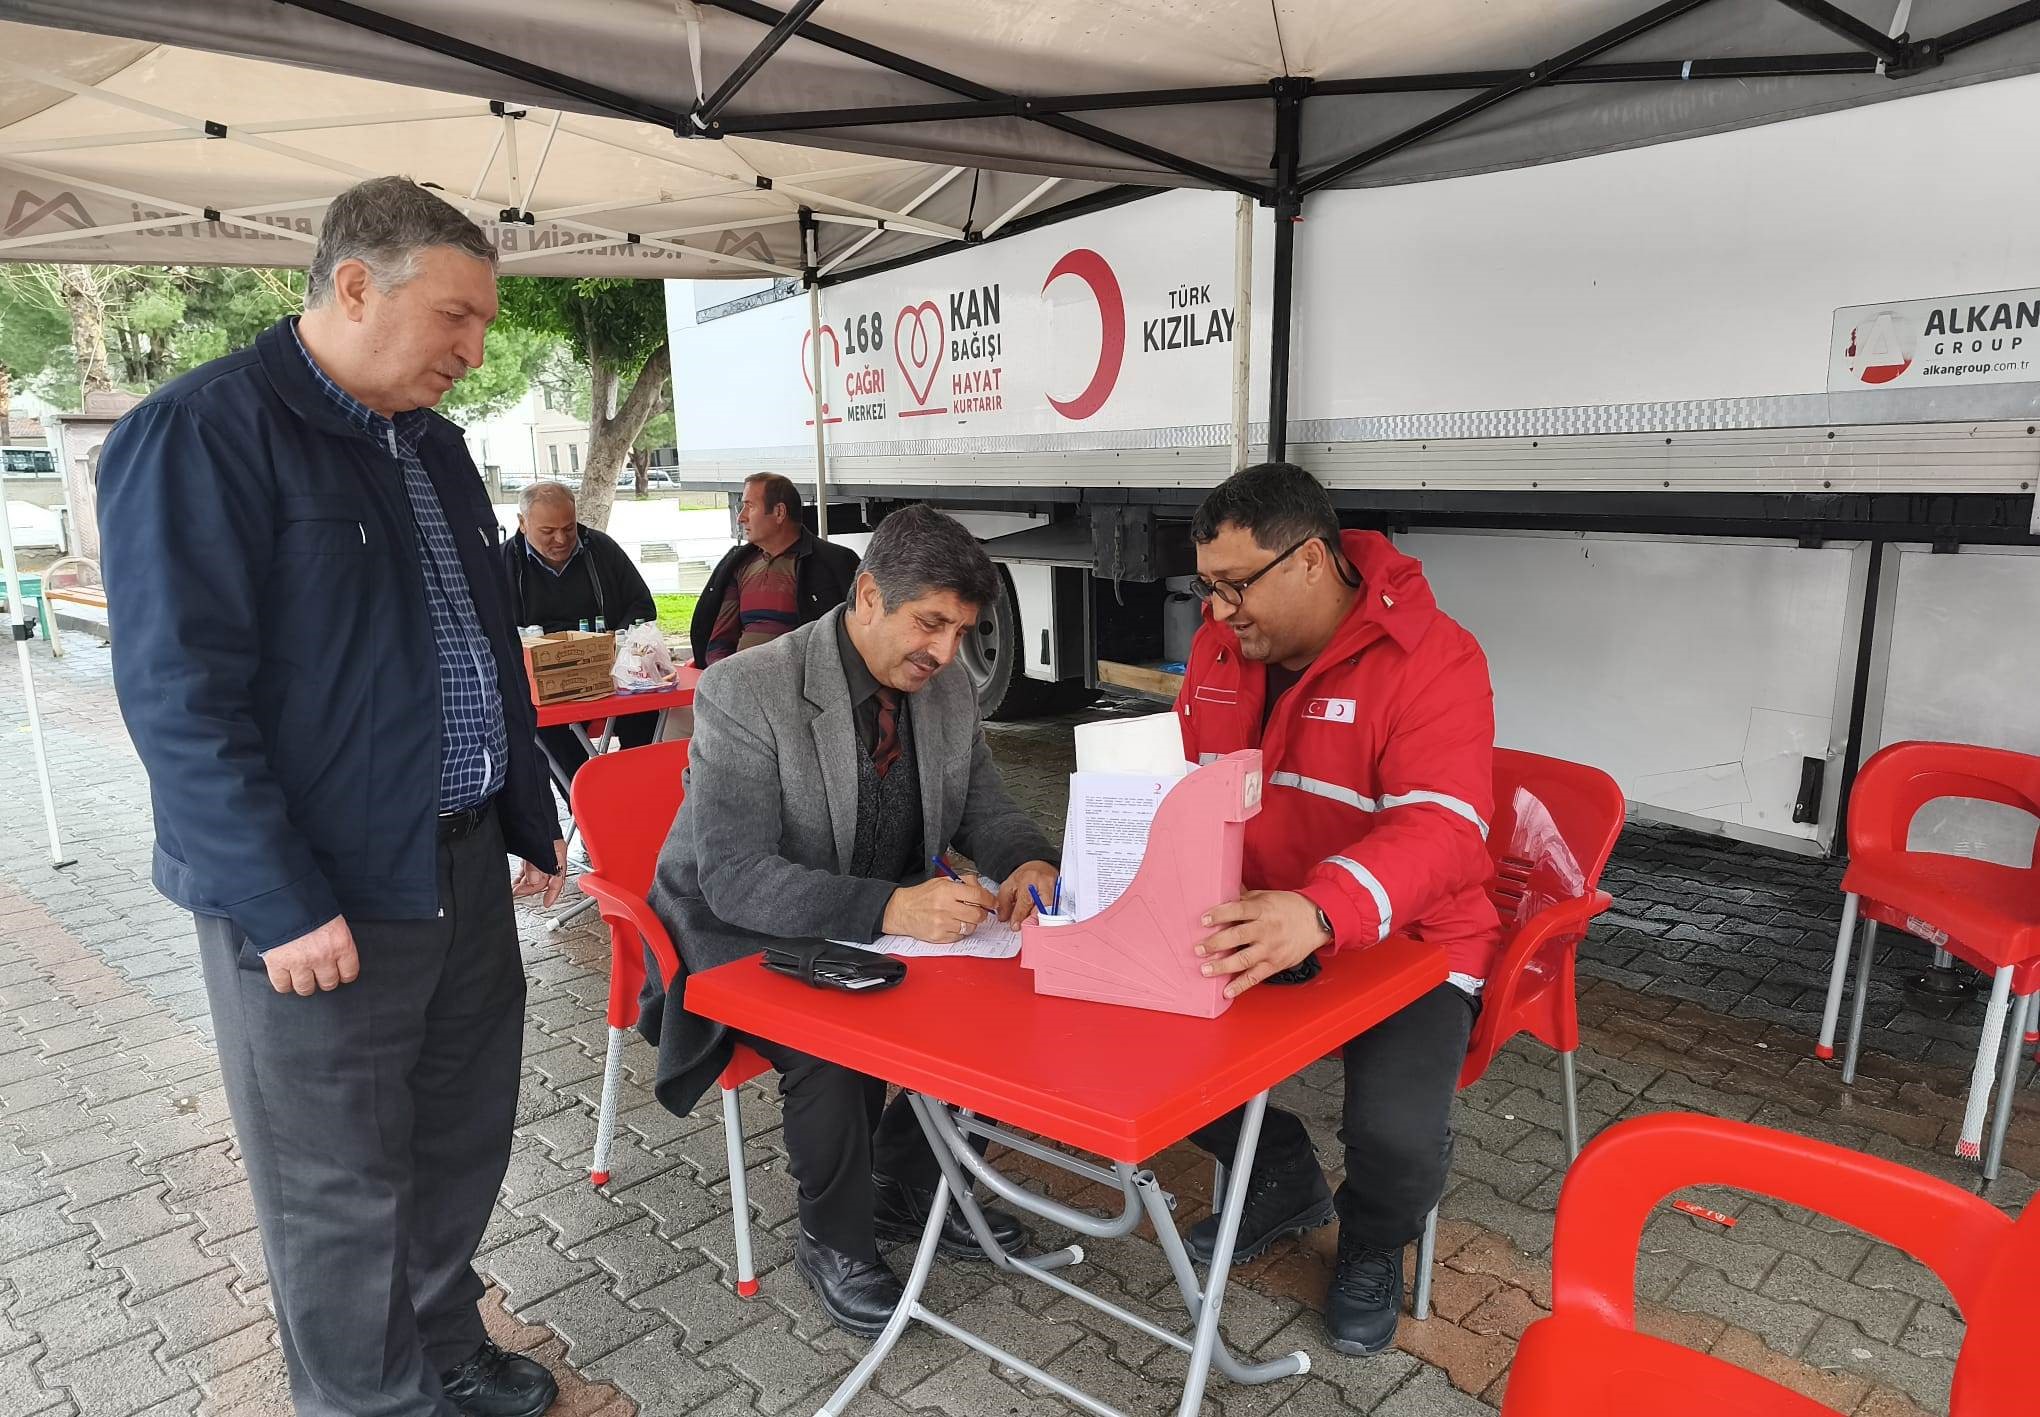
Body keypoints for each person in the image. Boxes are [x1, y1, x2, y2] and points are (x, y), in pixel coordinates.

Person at [97, 176, 566, 1417]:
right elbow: (179, 698)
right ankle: (371, 1402)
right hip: (320, 895)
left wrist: (527, 815)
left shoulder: (431, 444)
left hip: (458, 865)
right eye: (456, 317)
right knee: (338, 1184)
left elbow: (475, 646)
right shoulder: (201, 431)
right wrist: (279, 899)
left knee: (459, 1134)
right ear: (355, 287)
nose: (475, 350)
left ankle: (442, 1342)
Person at [637, 503, 1059, 1339]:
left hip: (873, 915)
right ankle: (833, 1239)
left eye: (961, 629)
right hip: (743, 927)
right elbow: (734, 876)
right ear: (867, 596)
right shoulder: (747, 688)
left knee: (1014, 990)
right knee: (834, 1037)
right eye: (929, 622)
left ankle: (906, 1180)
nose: (943, 651)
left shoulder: (945, 690)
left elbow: (988, 808)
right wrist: (892, 906)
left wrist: (1027, 863)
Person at [1173, 462, 1500, 1358]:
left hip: (1412, 939)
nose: (1219, 611)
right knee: (1136, 1040)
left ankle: (1368, 1238)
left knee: (1392, 1135)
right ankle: (1277, 1175)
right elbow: (1189, 785)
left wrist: (1318, 914)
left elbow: (1448, 830)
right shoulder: (1218, 649)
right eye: (1207, 586)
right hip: (1258, 917)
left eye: (1236, 585)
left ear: (1312, 560)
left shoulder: (1435, 657)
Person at [502, 480, 660, 791]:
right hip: (544, 688)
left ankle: (637, 796)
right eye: (548, 531)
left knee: (646, 714)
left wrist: (620, 639)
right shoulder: (501, 564)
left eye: (569, 527)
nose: (561, 539)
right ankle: (593, 809)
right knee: (548, 734)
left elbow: (642, 605)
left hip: (609, 676)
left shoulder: (601, 549)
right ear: (522, 523)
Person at [689, 471, 858, 666]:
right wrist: (723, 676)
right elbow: (719, 641)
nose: (741, 517)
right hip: (740, 682)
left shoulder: (834, 562)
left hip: (803, 687)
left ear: (779, 512)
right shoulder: (739, 564)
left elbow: (857, 637)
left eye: (749, 506)